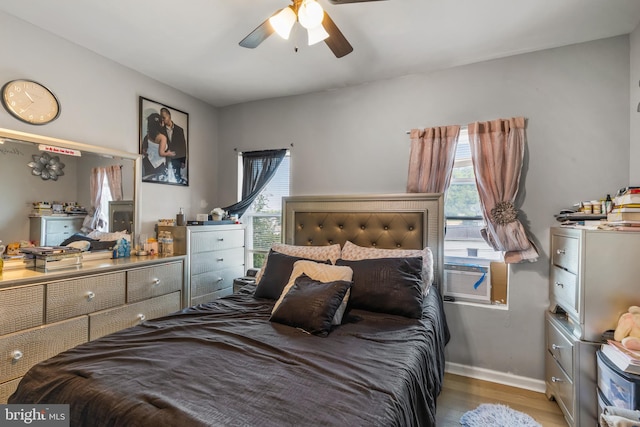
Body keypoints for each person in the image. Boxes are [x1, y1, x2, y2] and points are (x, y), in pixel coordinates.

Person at [142, 112, 174, 180]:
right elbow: (161, 153)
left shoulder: (148, 136)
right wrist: (169, 153)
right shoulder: (162, 137)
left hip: (148, 162)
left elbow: (144, 151)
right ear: (159, 123)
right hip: (159, 165)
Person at [160, 107, 187, 183]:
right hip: (165, 159)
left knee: (177, 179)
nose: (162, 119)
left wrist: (183, 161)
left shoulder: (179, 130)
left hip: (177, 159)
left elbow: (183, 145)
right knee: (164, 180)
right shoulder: (161, 130)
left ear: (169, 116)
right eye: (161, 118)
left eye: (164, 117)